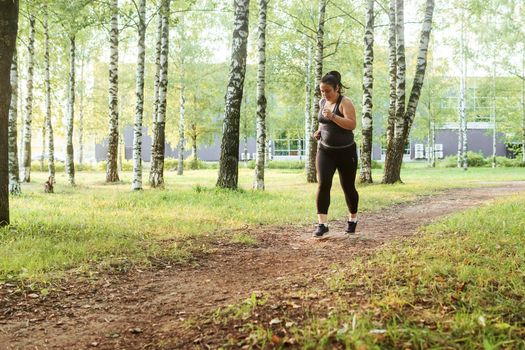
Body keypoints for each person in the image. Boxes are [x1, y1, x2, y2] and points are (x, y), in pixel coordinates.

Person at [312, 71, 359, 237]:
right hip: (325, 151)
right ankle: (322, 224)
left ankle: (352, 220)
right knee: (323, 184)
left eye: (328, 91)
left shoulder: (345, 102)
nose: (324, 94)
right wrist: (318, 132)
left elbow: (352, 124)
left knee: (348, 187)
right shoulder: (322, 101)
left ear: (337, 88)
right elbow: (322, 122)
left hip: (346, 152)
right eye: (322, 91)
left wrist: (333, 116)